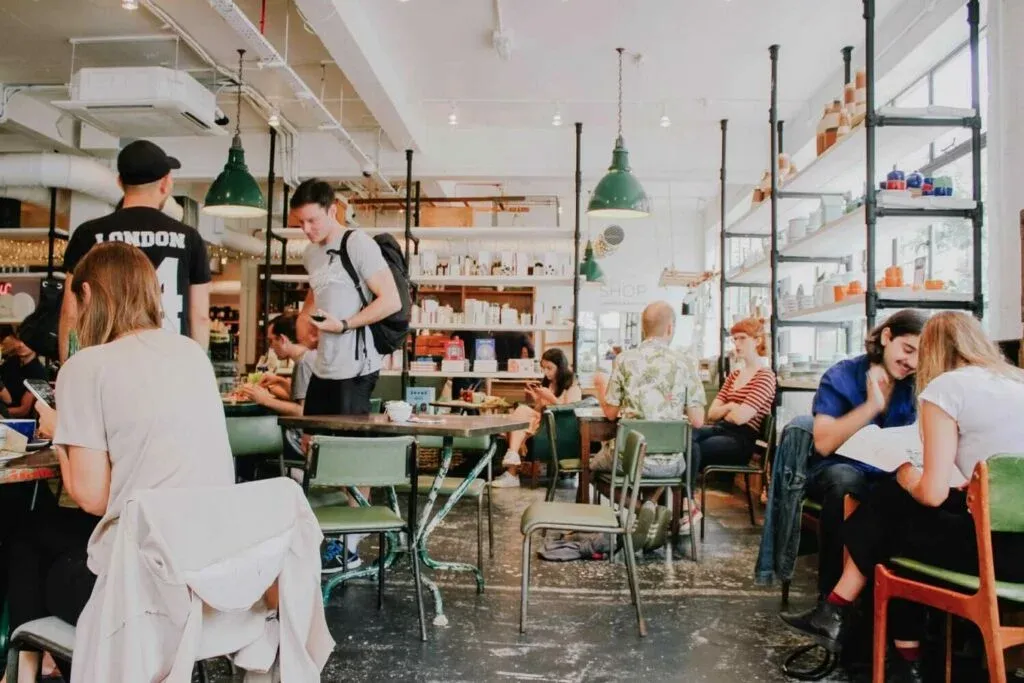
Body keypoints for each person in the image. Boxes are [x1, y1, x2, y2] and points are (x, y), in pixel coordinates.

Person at [2, 242, 234, 683]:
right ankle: (44, 664)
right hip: (206, 574)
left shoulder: (87, 366)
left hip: (140, 592)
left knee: (28, 539)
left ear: (87, 295)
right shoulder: (191, 355)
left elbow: (91, 497)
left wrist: (63, 429)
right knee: (45, 535)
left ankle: (31, 668)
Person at [781, 312, 1024, 683]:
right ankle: (859, 626)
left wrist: (909, 476)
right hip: (1016, 548)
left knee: (895, 519)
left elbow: (932, 493)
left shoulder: (946, 389)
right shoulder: (1017, 381)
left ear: (932, 353)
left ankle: (846, 617)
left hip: (992, 555)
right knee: (897, 510)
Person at [804, 308, 927, 597]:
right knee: (847, 483)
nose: (911, 362)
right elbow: (822, 443)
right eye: (907, 349)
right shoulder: (842, 375)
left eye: (920, 356)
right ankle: (832, 601)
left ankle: (902, 616)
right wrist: (871, 406)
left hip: (892, 472)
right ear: (887, 336)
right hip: (839, 468)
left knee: (916, 494)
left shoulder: (917, 385)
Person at [59, 139, 212, 362]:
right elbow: (199, 316)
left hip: (107, 361)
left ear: (120, 182)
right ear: (165, 183)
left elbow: (71, 312)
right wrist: (198, 369)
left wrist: (68, 370)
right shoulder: (189, 238)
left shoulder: (88, 234)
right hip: (170, 361)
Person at [292, 178, 401, 416]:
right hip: (322, 366)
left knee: (344, 447)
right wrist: (304, 316)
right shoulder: (310, 253)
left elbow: (391, 300)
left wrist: (344, 325)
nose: (306, 229)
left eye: (312, 220)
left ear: (332, 211)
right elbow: (319, 288)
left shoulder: (357, 243)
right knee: (311, 441)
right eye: (301, 222)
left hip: (356, 368)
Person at [591, 301, 706, 476]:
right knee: (658, 476)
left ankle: (633, 504)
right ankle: (650, 502)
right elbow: (697, 420)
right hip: (672, 463)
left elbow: (611, 414)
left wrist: (600, 386)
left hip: (630, 459)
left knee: (592, 467)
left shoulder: (624, 360)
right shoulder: (686, 362)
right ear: (670, 328)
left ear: (643, 329)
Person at [688, 317, 776, 531]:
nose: (736, 344)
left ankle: (685, 503)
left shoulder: (765, 377)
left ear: (757, 341)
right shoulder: (735, 374)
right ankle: (683, 502)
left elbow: (741, 418)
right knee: (686, 434)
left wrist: (727, 409)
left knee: (692, 446)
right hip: (720, 430)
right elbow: (712, 411)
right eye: (735, 339)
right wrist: (730, 407)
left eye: (742, 339)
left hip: (741, 440)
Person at [492, 348, 582, 488]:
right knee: (519, 415)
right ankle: (512, 461)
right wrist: (536, 397)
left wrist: (549, 397)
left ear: (561, 367)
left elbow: (569, 409)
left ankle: (512, 471)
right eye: (543, 368)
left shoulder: (572, 385)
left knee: (519, 419)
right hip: (543, 421)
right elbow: (539, 409)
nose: (546, 372)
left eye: (549, 368)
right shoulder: (549, 383)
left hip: (558, 426)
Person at [0, 325, 47, 419]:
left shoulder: (38, 372)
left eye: (27, 342)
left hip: (19, 424)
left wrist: (2, 413)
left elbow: (23, 410)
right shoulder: (11, 361)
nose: (21, 345)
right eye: (19, 340)